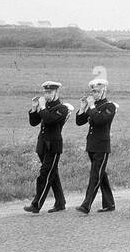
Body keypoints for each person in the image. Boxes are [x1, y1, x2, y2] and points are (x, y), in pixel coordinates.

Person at [25, 80, 69, 213]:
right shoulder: (46, 107)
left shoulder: (62, 108)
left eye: (49, 92)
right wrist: (34, 108)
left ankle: (36, 204)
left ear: (56, 92)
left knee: (45, 174)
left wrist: (42, 108)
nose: (46, 94)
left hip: (53, 146)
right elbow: (34, 122)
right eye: (45, 92)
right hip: (42, 145)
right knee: (52, 173)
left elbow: (49, 120)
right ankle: (60, 203)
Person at [75, 77, 117, 213]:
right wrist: (82, 108)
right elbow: (80, 121)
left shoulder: (109, 106)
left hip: (102, 146)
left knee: (95, 175)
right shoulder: (94, 106)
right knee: (101, 174)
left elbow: (100, 120)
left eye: (98, 92)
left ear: (104, 91)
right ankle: (109, 204)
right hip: (91, 145)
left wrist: (91, 106)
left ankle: (86, 205)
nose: (95, 94)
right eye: (93, 92)